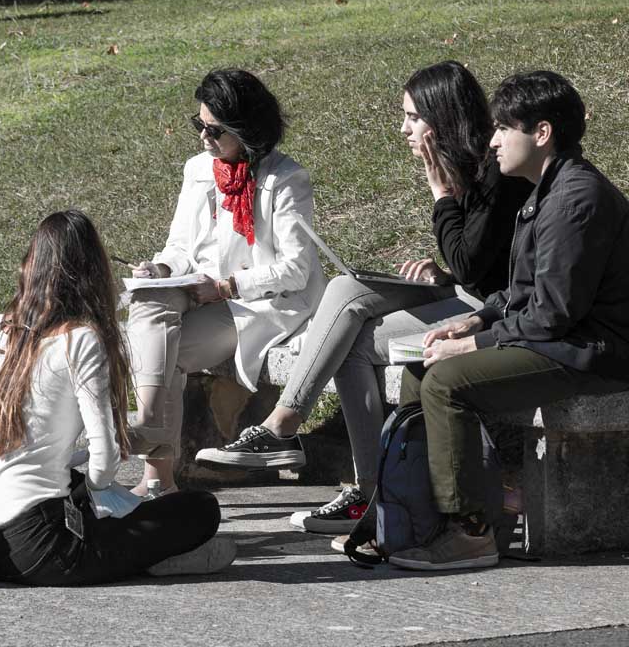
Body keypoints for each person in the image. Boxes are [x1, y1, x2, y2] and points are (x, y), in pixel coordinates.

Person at [196, 61, 532, 535]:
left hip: (494, 311)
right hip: (465, 291)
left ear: (441, 117)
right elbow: (473, 259)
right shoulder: (464, 167)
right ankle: (307, 445)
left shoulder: (498, 172)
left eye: (412, 117)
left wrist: (441, 197)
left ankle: (359, 483)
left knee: (350, 341)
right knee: (345, 289)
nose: (403, 128)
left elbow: (479, 266)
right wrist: (443, 269)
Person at [388, 70, 629, 571]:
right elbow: (522, 293)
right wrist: (476, 322)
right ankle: (423, 516)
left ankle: (470, 532)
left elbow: (552, 314)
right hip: (562, 340)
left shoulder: (575, 200)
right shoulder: (544, 189)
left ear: (541, 133)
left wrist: (472, 348)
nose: (493, 141)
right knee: (420, 369)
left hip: (594, 353)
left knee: (447, 382)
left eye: (504, 129)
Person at [0, 210, 235, 585]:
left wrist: (15, 461)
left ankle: (143, 552)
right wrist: (99, 492)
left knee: (79, 485)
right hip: (45, 549)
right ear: (92, 273)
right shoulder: (80, 339)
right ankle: (157, 558)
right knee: (201, 509)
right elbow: (104, 461)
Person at [125, 68, 325, 497]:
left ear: (246, 130)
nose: (203, 138)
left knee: (166, 354)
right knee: (146, 301)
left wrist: (228, 287)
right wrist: (161, 270)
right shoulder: (198, 169)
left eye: (214, 130)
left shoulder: (285, 179)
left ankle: (157, 478)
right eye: (199, 125)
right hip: (199, 291)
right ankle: (147, 424)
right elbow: (180, 246)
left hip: (255, 303)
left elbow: (296, 269)